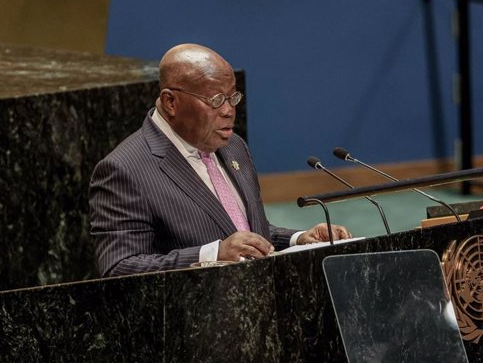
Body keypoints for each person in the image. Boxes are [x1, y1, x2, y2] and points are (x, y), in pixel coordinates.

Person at [89, 43, 351, 277]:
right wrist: (210, 256)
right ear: (171, 102)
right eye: (215, 100)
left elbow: (243, 228)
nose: (228, 111)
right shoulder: (124, 170)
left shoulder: (234, 146)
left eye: (232, 97)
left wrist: (298, 239)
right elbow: (120, 268)